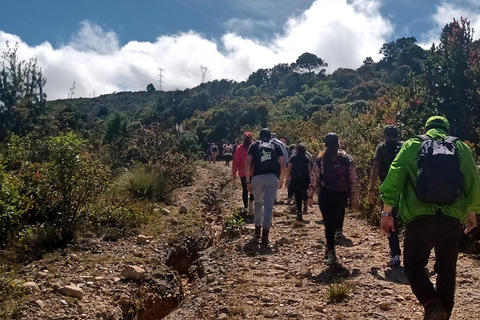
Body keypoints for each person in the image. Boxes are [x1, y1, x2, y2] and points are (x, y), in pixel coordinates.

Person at [380, 116, 480, 320]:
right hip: (451, 219)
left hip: (419, 218)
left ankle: (433, 305)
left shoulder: (413, 144)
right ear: (446, 128)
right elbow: (473, 180)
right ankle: (443, 314)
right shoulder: (460, 147)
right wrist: (472, 211)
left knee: (413, 266)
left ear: (426, 128)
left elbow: (395, 175)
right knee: (446, 269)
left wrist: (387, 212)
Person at [308, 133, 360, 265]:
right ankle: (330, 249)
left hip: (325, 194)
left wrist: (310, 195)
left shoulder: (321, 159)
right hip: (341, 195)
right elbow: (353, 178)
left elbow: (315, 178)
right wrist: (354, 196)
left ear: (325, 144)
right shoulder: (347, 158)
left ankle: (330, 250)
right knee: (333, 221)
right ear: (338, 143)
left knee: (328, 222)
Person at [368, 125, 403, 267]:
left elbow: (376, 167)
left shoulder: (381, 147)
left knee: (390, 218)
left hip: (388, 188)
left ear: (385, 135)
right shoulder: (404, 146)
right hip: (406, 188)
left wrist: (371, 189)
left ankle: (395, 255)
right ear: (398, 135)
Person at [245, 128, 286, 244]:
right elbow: (283, 164)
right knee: (269, 206)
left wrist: (248, 181)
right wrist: (282, 180)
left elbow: (248, 163)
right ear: (270, 136)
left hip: (257, 177)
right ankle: (265, 234)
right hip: (272, 177)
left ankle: (257, 230)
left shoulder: (254, 146)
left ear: (259, 136)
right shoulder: (276, 146)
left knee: (258, 203)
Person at [286, 143, 312, 221]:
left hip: (295, 179)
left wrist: (287, 180)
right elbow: (310, 170)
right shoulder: (307, 157)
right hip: (305, 179)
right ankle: (305, 204)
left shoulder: (293, 157)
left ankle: (299, 212)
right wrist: (311, 181)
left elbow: (289, 169)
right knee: (305, 192)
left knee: (297, 196)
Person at [232, 133, 254, 215]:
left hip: (243, 172)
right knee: (253, 189)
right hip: (253, 172)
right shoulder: (254, 147)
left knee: (245, 189)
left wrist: (234, 172)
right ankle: (251, 205)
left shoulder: (239, 148)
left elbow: (235, 161)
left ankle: (245, 207)